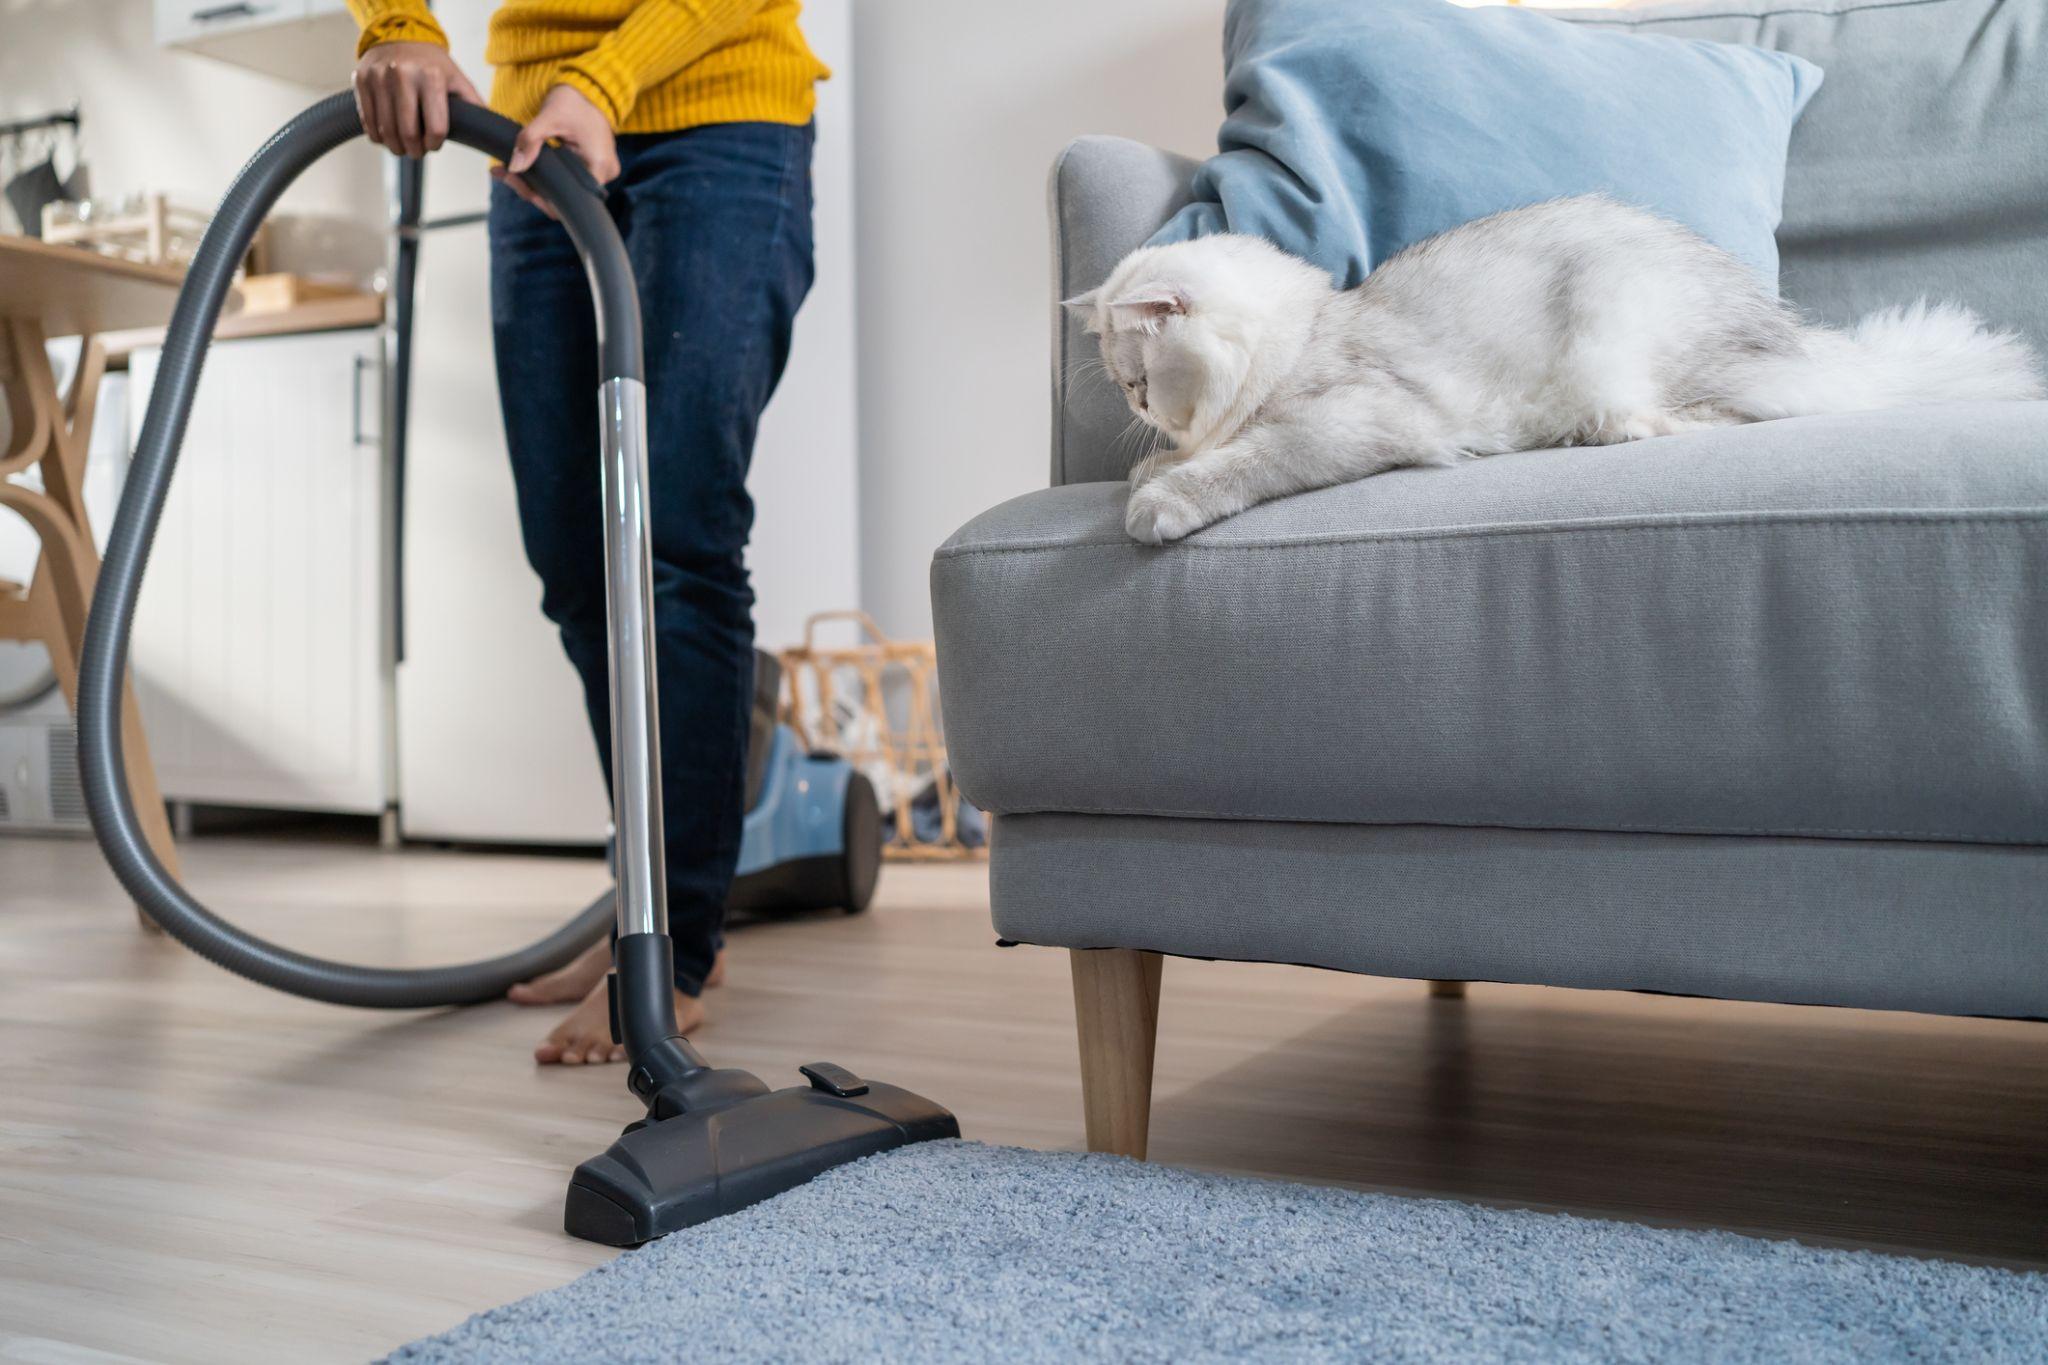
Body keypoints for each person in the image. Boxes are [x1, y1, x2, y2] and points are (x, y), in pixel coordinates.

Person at [345, 1, 825, 1062]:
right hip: (529, 133)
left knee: (673, 540)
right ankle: (644, 922)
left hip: (719, 115)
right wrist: (394, 24)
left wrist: (608, 79)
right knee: (574, 559)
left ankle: (672, 951)